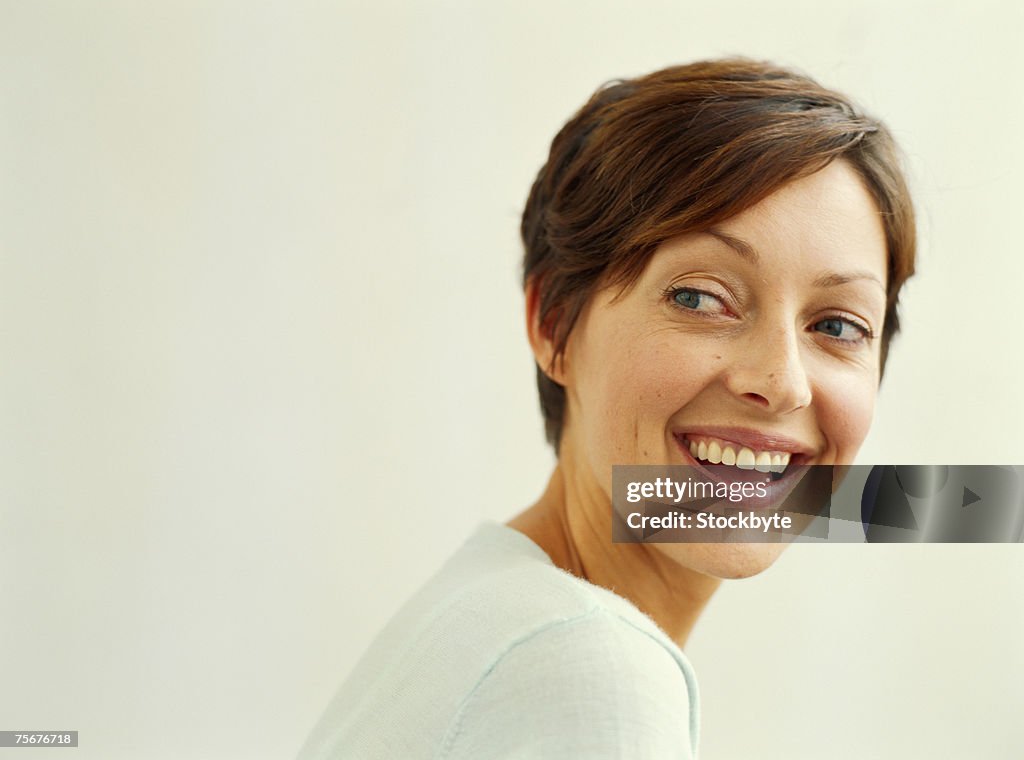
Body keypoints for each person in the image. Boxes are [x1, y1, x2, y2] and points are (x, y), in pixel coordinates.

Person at [297, 58, 916, 759]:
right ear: (556, 324)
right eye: (699, 297)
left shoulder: (490, 612)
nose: (782, 383)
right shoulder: (583, 667)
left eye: (837, 326)